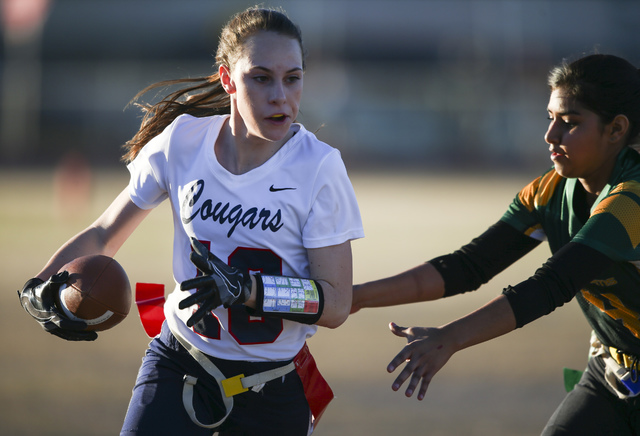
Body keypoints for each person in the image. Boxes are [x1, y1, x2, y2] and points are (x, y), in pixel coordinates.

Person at [18, 7, 363, 436]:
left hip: (270, 383)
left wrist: (251, 290)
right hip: (181, 361)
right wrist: (40, 284)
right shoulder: (184, 142)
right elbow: (105, 233)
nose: (280, 95)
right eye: (261, 77)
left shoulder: (320, 167)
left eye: (292, 78)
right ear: (227, 80)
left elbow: (335, 303)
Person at [351, 53, 640, 435]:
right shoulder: (549, 191)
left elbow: (552, 284)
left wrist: (449, 338)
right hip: (614, 373)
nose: (550, 135)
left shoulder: (631, 200)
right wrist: (355, 297)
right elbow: (470, 266)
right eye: (550, 118)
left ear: (616, 129)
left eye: (569, 123)